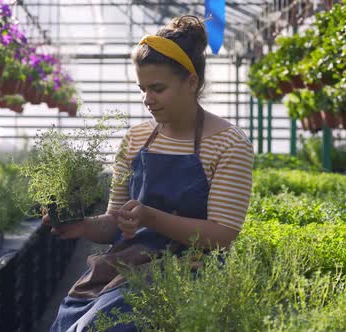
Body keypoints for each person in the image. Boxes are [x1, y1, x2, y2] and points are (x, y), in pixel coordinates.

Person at [45, 15, 254, 332]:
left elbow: (222, 235)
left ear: (191, 82)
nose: (147, 99)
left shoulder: (228, 143)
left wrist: (150, 217)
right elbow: (115, 221)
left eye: (157, 88)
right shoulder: (136, 139)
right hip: (130, 264)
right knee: (68, 321)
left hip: (190, 271)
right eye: (142, 88)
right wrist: (83, 227)